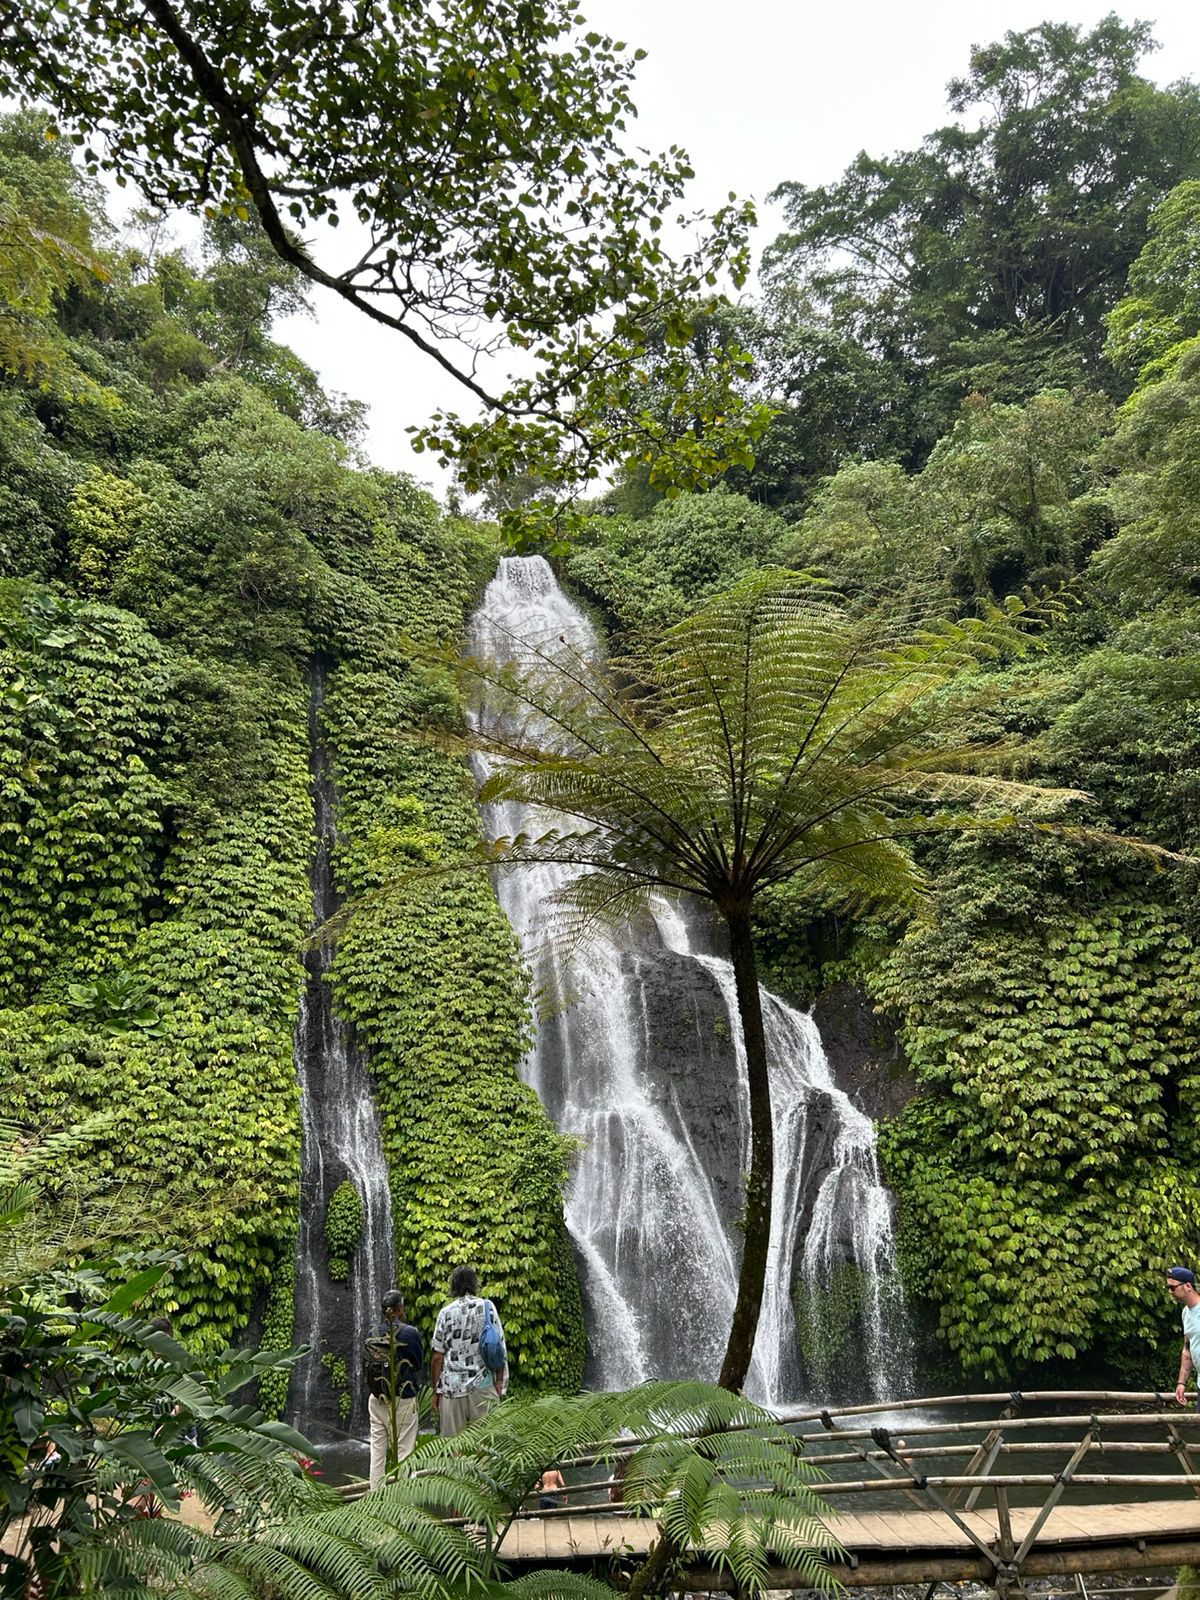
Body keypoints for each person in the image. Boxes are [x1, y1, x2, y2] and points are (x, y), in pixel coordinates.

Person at [430, 1265, 507, 1438]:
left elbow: (437, 1357)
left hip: (452, 1388)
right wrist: (500, 1382)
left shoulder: (445, 1313)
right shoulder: (487, 1307)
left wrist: (436, 1391)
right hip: (483, 1384)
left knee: (453, 1448)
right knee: (486, 1446)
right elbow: (498, 1346)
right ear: (474, 1284)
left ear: (453, 1286)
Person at [365, 1289, 424, 1490]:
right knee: (405, 1452)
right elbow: (417, 1364)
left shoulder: (372, 1333)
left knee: (377, 1452)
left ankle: (375, 1500)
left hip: (376, 1398)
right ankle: (405, 1507)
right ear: (400, 1308)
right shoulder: (410, 1333)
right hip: (403, 1399)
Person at [1169, 1267, 1200, 1405]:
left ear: (1188, 1286)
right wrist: (1182, 1382)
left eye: (1173, 1287)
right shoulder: (1185, 1313)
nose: (1170, 1291)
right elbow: (1187, 1349)